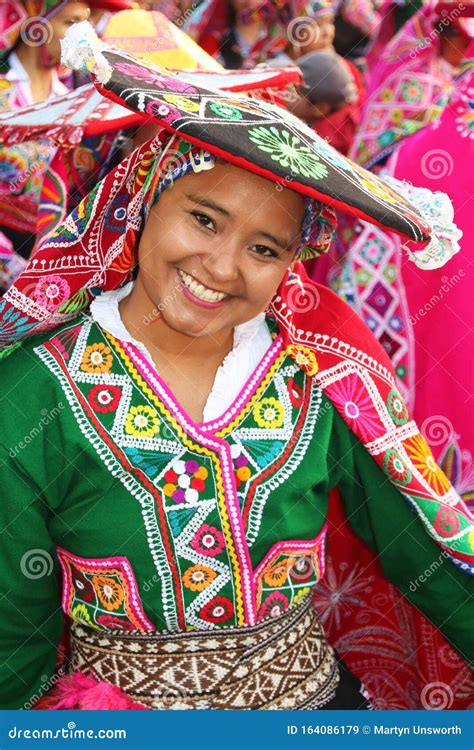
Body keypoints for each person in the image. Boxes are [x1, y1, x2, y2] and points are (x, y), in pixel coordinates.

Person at [0, 23, 471, 711]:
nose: (221, 269)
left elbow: (424, 556)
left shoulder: (322, 381)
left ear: (293, 262)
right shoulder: (31, 394)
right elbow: (14, 637)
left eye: (265, 249)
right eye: (205, 220)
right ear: (144, 199)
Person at [286, 50, 364, 155]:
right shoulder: (348, 101)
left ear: (320, 109)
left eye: (294, 91)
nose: (284, 90)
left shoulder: (320, 146)